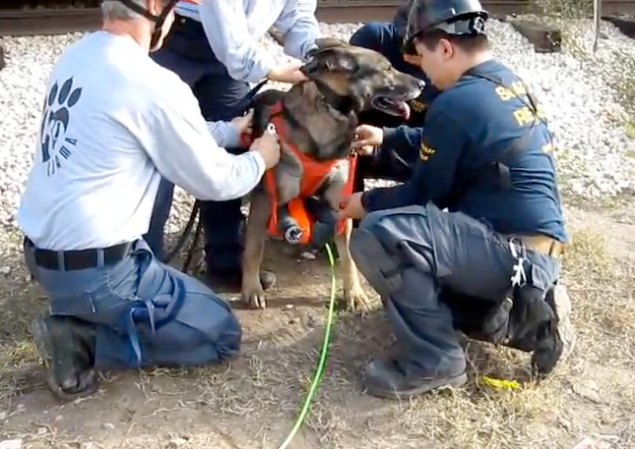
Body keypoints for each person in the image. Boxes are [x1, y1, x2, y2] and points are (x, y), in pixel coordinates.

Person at [18, 0, 280, 401]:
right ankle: (78, 342)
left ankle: (81, 317)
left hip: (45, 257)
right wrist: (260, 158)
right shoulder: (149, 81)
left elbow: (152, 130)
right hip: (101, 272)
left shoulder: (77, 56)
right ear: (156, 7)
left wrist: (229, 131)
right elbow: (216, 181)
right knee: (221, 333)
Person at [339, 0, 574, 400]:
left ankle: (435, 362)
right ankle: (530, 316)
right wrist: (389, 137)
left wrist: (364, 203)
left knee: (380, 234)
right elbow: (452, 141)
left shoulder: (456, 101)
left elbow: (423, 195)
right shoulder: (503, 82)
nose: (422, 70)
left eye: (423, 57)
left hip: (507, 255)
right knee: (425, 268)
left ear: (445, 48)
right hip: (536, 255)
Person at [146, 0, 321, 291]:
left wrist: (317, 55)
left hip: (233, 47)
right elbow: (227, 31)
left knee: (232, 147)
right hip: (177, 35)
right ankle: (143, 268)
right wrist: (273, 69)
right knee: (157, 147)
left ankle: (225, 262)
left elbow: (297, 15)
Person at [348, 0, 441, 192]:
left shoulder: (450, 72)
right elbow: (344, 94)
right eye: (405, 40)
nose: (408, 52)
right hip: (360, 135)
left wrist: (385, 139)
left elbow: (443, 138)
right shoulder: (375, 40)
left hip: (410, 144)